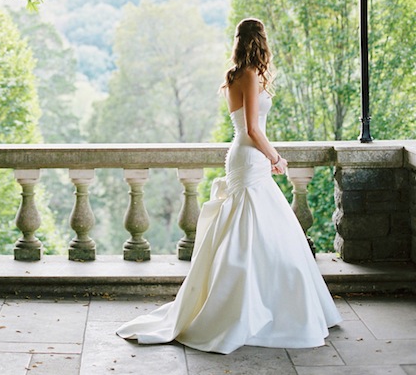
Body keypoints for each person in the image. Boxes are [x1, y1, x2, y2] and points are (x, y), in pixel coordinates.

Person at [116, 17, 341, 355]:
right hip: (250, 157)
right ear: (260, 41)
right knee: (252, 229)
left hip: (244, 156)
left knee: (259, 230)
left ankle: (265, 302)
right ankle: (252, 309)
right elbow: (252, 128)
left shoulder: (234, 75)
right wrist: (276, 157)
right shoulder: (249, 75)